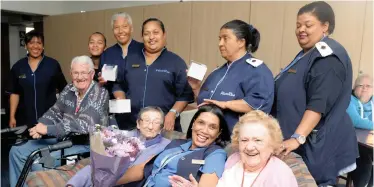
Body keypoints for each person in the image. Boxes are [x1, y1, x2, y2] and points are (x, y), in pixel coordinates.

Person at [271, 1, 359, 186]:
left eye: (308, 25)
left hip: (314, 145)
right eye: (298, 25)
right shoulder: (306, 53)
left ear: (324, 26)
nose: (301, 30)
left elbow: (318, 104)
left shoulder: (328, 57)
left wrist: (297, 138)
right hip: (298, 142)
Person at [8, 56, 109, 187]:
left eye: (84, 73)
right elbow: (55, 111)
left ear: (92, 73)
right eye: (76, 73)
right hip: (63, 139)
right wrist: (41, 124)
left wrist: (48, 130)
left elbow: (85, 125)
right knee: (17, 152)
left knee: (40, 162)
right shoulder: (69, 89)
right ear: (70, 73)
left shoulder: (100, 94)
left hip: (86, 144)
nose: (79, 77)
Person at [169, 110, 298, 187]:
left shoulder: (280, 174)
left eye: (258, 140)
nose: (249, 147)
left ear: (272, 144)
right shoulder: (233, 160)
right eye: (244, 140)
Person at [188, 19, 274, 132]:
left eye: (225, 38)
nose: (220, 44)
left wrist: (226, 104)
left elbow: (258, 104)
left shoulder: (257, 70)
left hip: (235, 139)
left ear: (241, 42)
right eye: (219, 39)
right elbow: (204, 103)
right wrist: (196, 87)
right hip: (209, 136)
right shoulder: (217, 72)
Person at [115, 104, 231, 187]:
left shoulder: (215, 154)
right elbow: (143, 168)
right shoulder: (176, 143)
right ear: (193, 124)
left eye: (212, 127)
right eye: (201, 123)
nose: (204, 130)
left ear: (218, 133)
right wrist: (106, 182)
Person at [114, 18, 194, 131]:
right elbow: (119, 84)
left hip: (163, 126)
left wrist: (172, 113)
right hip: (132, 125)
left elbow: (185, 95)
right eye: (147, 33)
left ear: (164, 34)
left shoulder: (176, 62)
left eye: (156, 32)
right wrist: (120, 97)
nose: (151, 37)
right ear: (142, 37)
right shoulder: (130, 59)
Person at [66, 106, 171, 187]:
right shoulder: (122, 137)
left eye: (156, 122)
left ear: (161, 128)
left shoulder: (167, 147)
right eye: (147, 120)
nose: (150, 126)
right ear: (138, 123)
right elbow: (98, 167)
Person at [7, 30, 67, 128]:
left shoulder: (52, 65)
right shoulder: (18, 67)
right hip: (25, 120)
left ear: (43, 46)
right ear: (26, 46)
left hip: (49, 119)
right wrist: (12, 116)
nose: (35, 46)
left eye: (39, 43)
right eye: (31, 43)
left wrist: (64, 114)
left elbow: (64, 91)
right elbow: (14, 93)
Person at [97, 12, 144, 129]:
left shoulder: (142, 49)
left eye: (124, 26)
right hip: (115, 111)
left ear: (131, 28)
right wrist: (101, 82)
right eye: (116, 28)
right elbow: (100, 82)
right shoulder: (107, 54)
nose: (120, 31)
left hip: (140, 109)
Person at [347, 74, 373, 187]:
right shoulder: (349, 100)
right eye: (360, 85)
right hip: (349, 141)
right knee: (365, 158)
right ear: (354, 88)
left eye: (368, 86)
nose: (364, 88)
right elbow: (355, 121)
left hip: (368, 142)